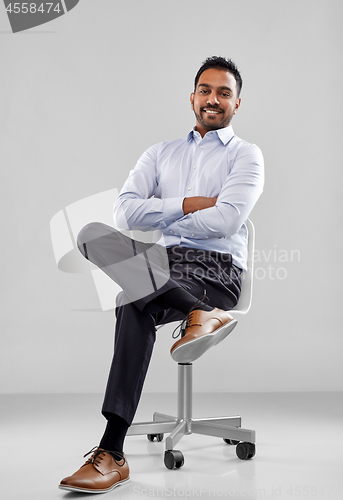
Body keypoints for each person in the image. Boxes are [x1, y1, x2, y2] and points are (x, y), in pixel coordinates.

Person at [59, 56, 264, 494]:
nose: (213, 99)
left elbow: (227, 222)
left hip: (216, 269)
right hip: (161, 263)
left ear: (237, 103)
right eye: (205, 90)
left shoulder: (248, 155)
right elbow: (124, 212)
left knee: (131, 300)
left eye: (224, 92)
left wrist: (163, 218)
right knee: (95, 233)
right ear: (192, 97)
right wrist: (190, 204)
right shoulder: (160, 153)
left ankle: (111, 452)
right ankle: (199, 313)